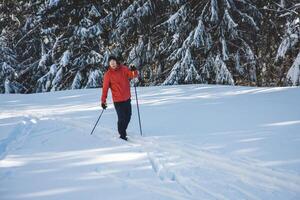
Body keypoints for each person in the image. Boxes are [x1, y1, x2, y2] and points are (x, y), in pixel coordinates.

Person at [101, 55, 138, 141]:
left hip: (127, 98)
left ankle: (122, 130)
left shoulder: (124, 69)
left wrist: (133, 70)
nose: (112, 64)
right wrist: (103, 101)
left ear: (117, 62)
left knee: (128, 116)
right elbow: (105, 89)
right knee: (121, 118)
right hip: (118, 101)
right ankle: (122, 135)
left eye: (113, 62)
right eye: (111, 63)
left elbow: (133, 75)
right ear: (109, 64)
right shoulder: (108, 75)